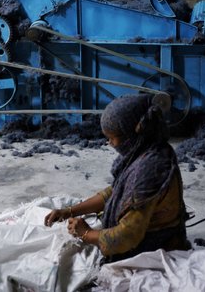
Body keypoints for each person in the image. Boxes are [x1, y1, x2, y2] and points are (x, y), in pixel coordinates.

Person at [44, 93, 190, 263]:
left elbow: (127, 237)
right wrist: (70, 211)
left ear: (134, 133)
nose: (111, 144)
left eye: (113, 138)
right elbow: (115, 192)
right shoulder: (142, 149)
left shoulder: (151, 169)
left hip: (154, 246)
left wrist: (86, 234)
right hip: (139, 234)